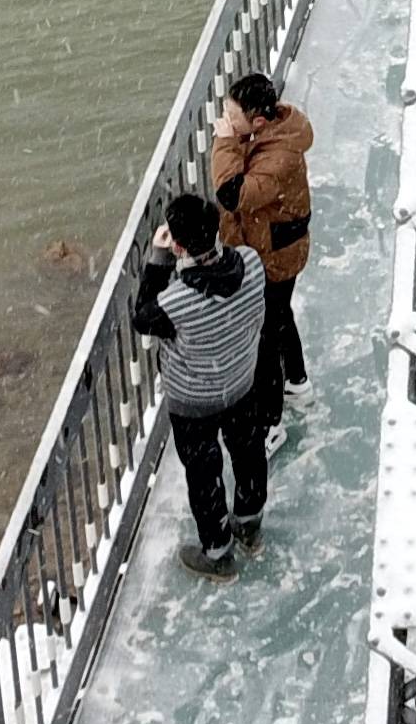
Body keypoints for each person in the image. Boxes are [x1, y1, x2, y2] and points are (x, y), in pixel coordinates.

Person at [131, 189, 272, 574]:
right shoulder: (252, 264)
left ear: (178, 246)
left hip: (194, 400)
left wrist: (158, 261)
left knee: (204, 473)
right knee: (248, 453)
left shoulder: (176, 303)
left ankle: (218, 552)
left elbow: (143, 317)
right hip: (241, 382)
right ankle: (249, 523)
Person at [208, 70, 314, 425]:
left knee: (265, 338)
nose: (224, 122)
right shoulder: (267, 130)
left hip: (275, 255)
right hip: (275, 246)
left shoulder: (279, 156)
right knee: (280, 317)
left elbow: (233, 195)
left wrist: (225, 143)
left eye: (231, 116)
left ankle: (270, 422)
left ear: (258, 119)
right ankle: (297, 382)